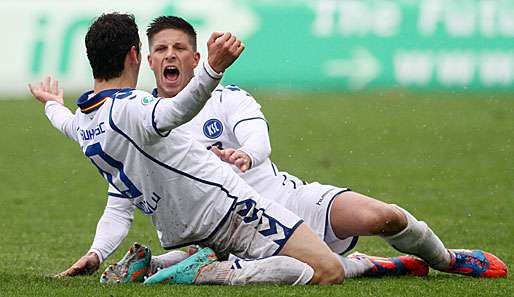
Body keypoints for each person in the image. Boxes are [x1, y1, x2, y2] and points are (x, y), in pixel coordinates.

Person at [56, 15, 507, 282]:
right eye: (161, 49)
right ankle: (369, 264)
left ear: (194, 59)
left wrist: (246, 155)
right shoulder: (140, 117)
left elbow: (258, 137)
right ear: (146, 58)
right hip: (225, 224)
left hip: (284, 199)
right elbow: (122, 192)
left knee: (383, 215)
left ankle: (447, 259)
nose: (170, 55)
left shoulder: (228, 97)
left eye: (180, 48)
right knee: (321, 270)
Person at [29, 12, 351, 286]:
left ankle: (161, 265)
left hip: (185, 232)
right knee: (328, 269)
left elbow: (65, 123)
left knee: (311, 263)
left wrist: (51, 105)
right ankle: (209, 272)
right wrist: (212, 70)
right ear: (135, 55)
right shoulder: (132, 106)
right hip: (231, 210)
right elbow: (176, 110)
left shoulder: (85, 123)